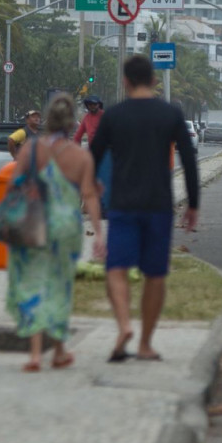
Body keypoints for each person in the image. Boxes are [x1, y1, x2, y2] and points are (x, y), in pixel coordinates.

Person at [89, 56, 200, 363]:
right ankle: (145, 344)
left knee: (116, 269)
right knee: (155, 274)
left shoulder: (114, 115)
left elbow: (93, 156)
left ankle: (124, 325)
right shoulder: (170, 114)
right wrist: (193, 203)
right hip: (159, 206)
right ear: (153, 80)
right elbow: (189, 161)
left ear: (125, 81)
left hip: (123, 204)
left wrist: (94, 185)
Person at [6, 94, 104, 373]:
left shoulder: (30, 150)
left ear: (47, 120)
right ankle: (59, 350)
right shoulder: (80, 156)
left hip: (35, 222)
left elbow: (14, 187)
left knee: (34, 285)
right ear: (73, 123)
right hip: (66, 227)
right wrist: (98, 234)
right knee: (60, 287)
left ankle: (36, 354)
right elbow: (90, 197)